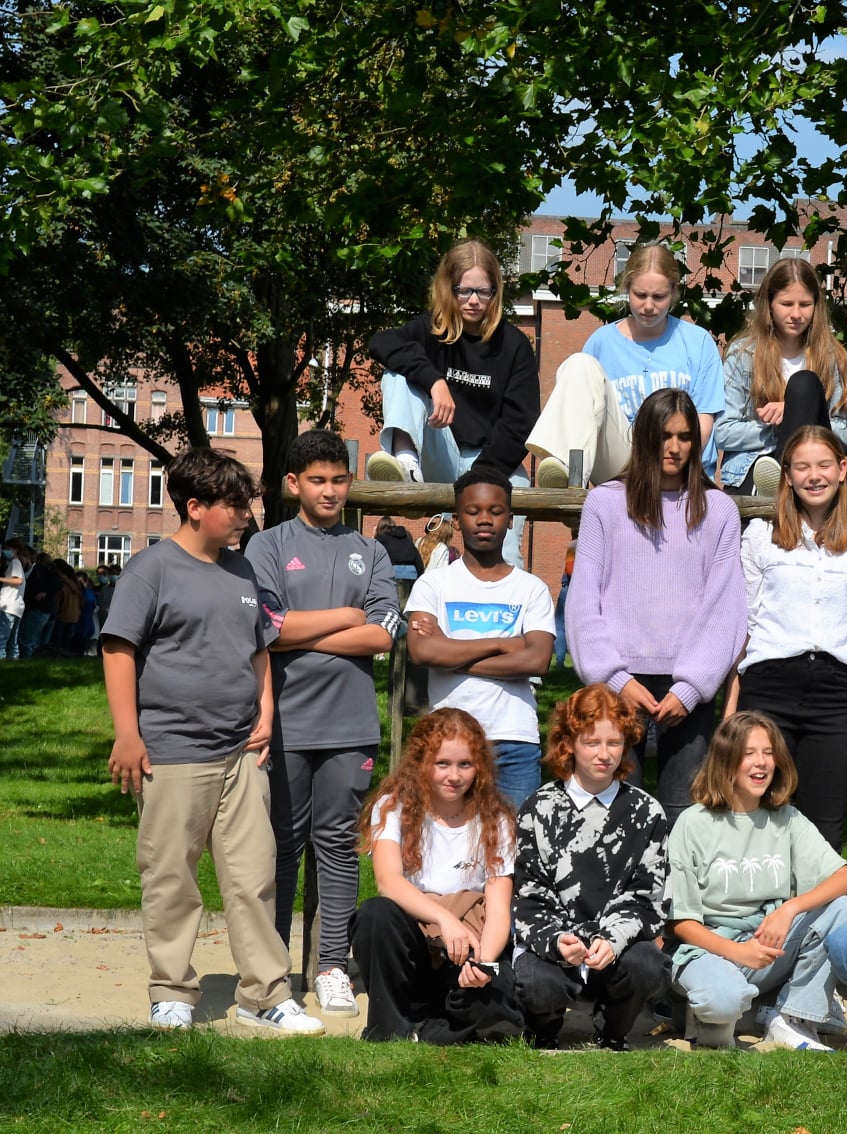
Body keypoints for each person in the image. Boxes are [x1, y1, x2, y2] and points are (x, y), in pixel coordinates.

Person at [100, 448, 323, 1035]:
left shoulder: (242, 568)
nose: (246, 514)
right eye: (233, 504)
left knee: (254, 877)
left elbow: (258, 648)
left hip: (241, 753)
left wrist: (266, 710)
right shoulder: (151, 570)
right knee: (171, 875)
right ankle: (171, 989)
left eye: (246, 502)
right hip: (171, 753)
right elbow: (118, 648)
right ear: (195, 507)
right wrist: (128, 734)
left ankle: (265, 994)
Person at [245, 429, 402, 1017]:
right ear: (294, 484)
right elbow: (269, 629)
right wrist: (344, 617)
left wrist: (304, 627)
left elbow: (384, 633)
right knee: (280, 846)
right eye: (317, 480)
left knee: (337, 846)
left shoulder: (373, 551)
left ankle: (332, 965)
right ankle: (274, 970)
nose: (330, 490)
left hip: (351, 725)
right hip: (283, 724)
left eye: (339, 479)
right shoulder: (266, 546)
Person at [568, 388, 747, 821]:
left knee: (685, 819)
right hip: (618, 685)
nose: (674, 447)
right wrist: (613, 678)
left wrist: (690, 689)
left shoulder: (719, 510)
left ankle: (674, 894)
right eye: (665, 435)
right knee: (610, 815)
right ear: (645, 436)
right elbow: (582, 603)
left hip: (689, 690)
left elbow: (726, 610)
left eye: (685, 437)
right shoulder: (604, 504)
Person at [664, 712, 847, 1051]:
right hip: (710, 951)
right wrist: (739, 953)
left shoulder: (787, 818)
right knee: (722, 1006)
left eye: (768, 752)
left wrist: (789, 910)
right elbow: (681, 923)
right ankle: (725, 1011)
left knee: (843, 909)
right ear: (726, 759)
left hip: (769, 945)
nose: (761, 763)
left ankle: (792, 1018)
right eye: (749, 753)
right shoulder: (692, 823)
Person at [728, 424, 847, 845]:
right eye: (802, 467)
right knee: (758, 821)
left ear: (843, 469)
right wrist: (730, 714)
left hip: (832, 698)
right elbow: (745, 632)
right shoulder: (761, 537)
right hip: (768, 689)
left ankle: (815, 912)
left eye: (824, 465)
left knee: (822, 829)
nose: (814, 476)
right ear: (788, 476)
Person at [512, 684, 673, 1049]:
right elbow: (528, 894)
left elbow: (646, 895)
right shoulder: (538, 808)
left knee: (648, 965)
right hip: (556, 942)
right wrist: (557, 940)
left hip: (616, 946)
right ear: (568, 743)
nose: (604, 754)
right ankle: (544, 1030)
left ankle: (613, 1031)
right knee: (538, 983)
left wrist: (613, 940)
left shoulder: (647, 812)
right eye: (591, 742)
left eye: (613, 743)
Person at [353, 707, 523, 1044]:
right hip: (417, 939)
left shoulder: (497, 818)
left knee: (498, 1012)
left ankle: (429, 1027)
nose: (454, 775)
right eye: (442, 763)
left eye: (465, 765)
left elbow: (500, 907)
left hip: (470, 945)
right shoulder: (393, 806)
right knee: (375, 914)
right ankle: (388, 1030)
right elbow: (389, 881)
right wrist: (445, 920)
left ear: (480, 768)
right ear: (421, 762)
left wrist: (484, 965)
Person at [365, 239, 538, 565]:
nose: (473, 301)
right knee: (398, 374)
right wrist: (434, 380)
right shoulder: (430, 330)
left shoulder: (515, 345)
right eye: (464, 290)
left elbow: (521, 422)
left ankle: (511, 610)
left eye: (483, 292)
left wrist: (482, 476)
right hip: (439, 452)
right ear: (448, 288)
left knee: (507, 556)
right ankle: (405, 462)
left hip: (494, 462)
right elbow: (381, 342)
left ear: (495, 292)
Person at [404, 471, 556, 810]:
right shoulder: (433, 585)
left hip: (514, 743)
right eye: (473, 511)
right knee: (447, 849)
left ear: (511, 519)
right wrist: (503, 644)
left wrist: (451, 652)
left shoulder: (531, 589)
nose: (484, 519)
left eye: (495, 511)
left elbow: (537, 661)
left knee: (514, 852)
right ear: (457, 520)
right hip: (449, 740)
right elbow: (421, 650)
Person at [525, 243, 724, 489]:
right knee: (579, 364)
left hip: (677, 461)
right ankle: (567, 473)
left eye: (659, 297)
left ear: (674, 292)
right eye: (640, 295)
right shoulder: (602, 342)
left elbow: (703, 423)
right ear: (627, 289)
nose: (648, 306)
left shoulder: (698, 342)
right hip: (622, 463)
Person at [714, 256, 847, 498]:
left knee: (804, 384)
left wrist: (797, 412)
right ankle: (781, 478)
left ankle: (786, 477)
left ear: (816, 306)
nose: (797, 314)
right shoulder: (742, 354)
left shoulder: (832, 356)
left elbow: (846, 433)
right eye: (787, 304)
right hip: (755, 462)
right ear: (769, 304)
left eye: (805, 304)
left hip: (814, 467)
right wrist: (776, 427)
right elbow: (723, 431)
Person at [0, 538, 26, 659]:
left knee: (2, 639)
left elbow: (18, 580)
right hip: (16, 607)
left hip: (8, 605)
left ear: (15, 549)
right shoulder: (16, 563)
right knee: (12, 642)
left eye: (7, 548)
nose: (5, 551)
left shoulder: (15, 563)